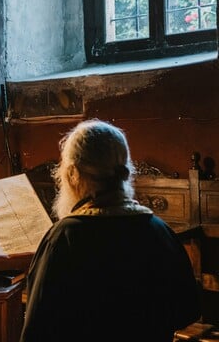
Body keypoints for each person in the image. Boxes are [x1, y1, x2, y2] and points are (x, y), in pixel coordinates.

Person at [20, 119, 201, 342]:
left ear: (72, 174)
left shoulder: (64, 237)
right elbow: (187, 311)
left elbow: (37, 332)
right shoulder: (159, 231)